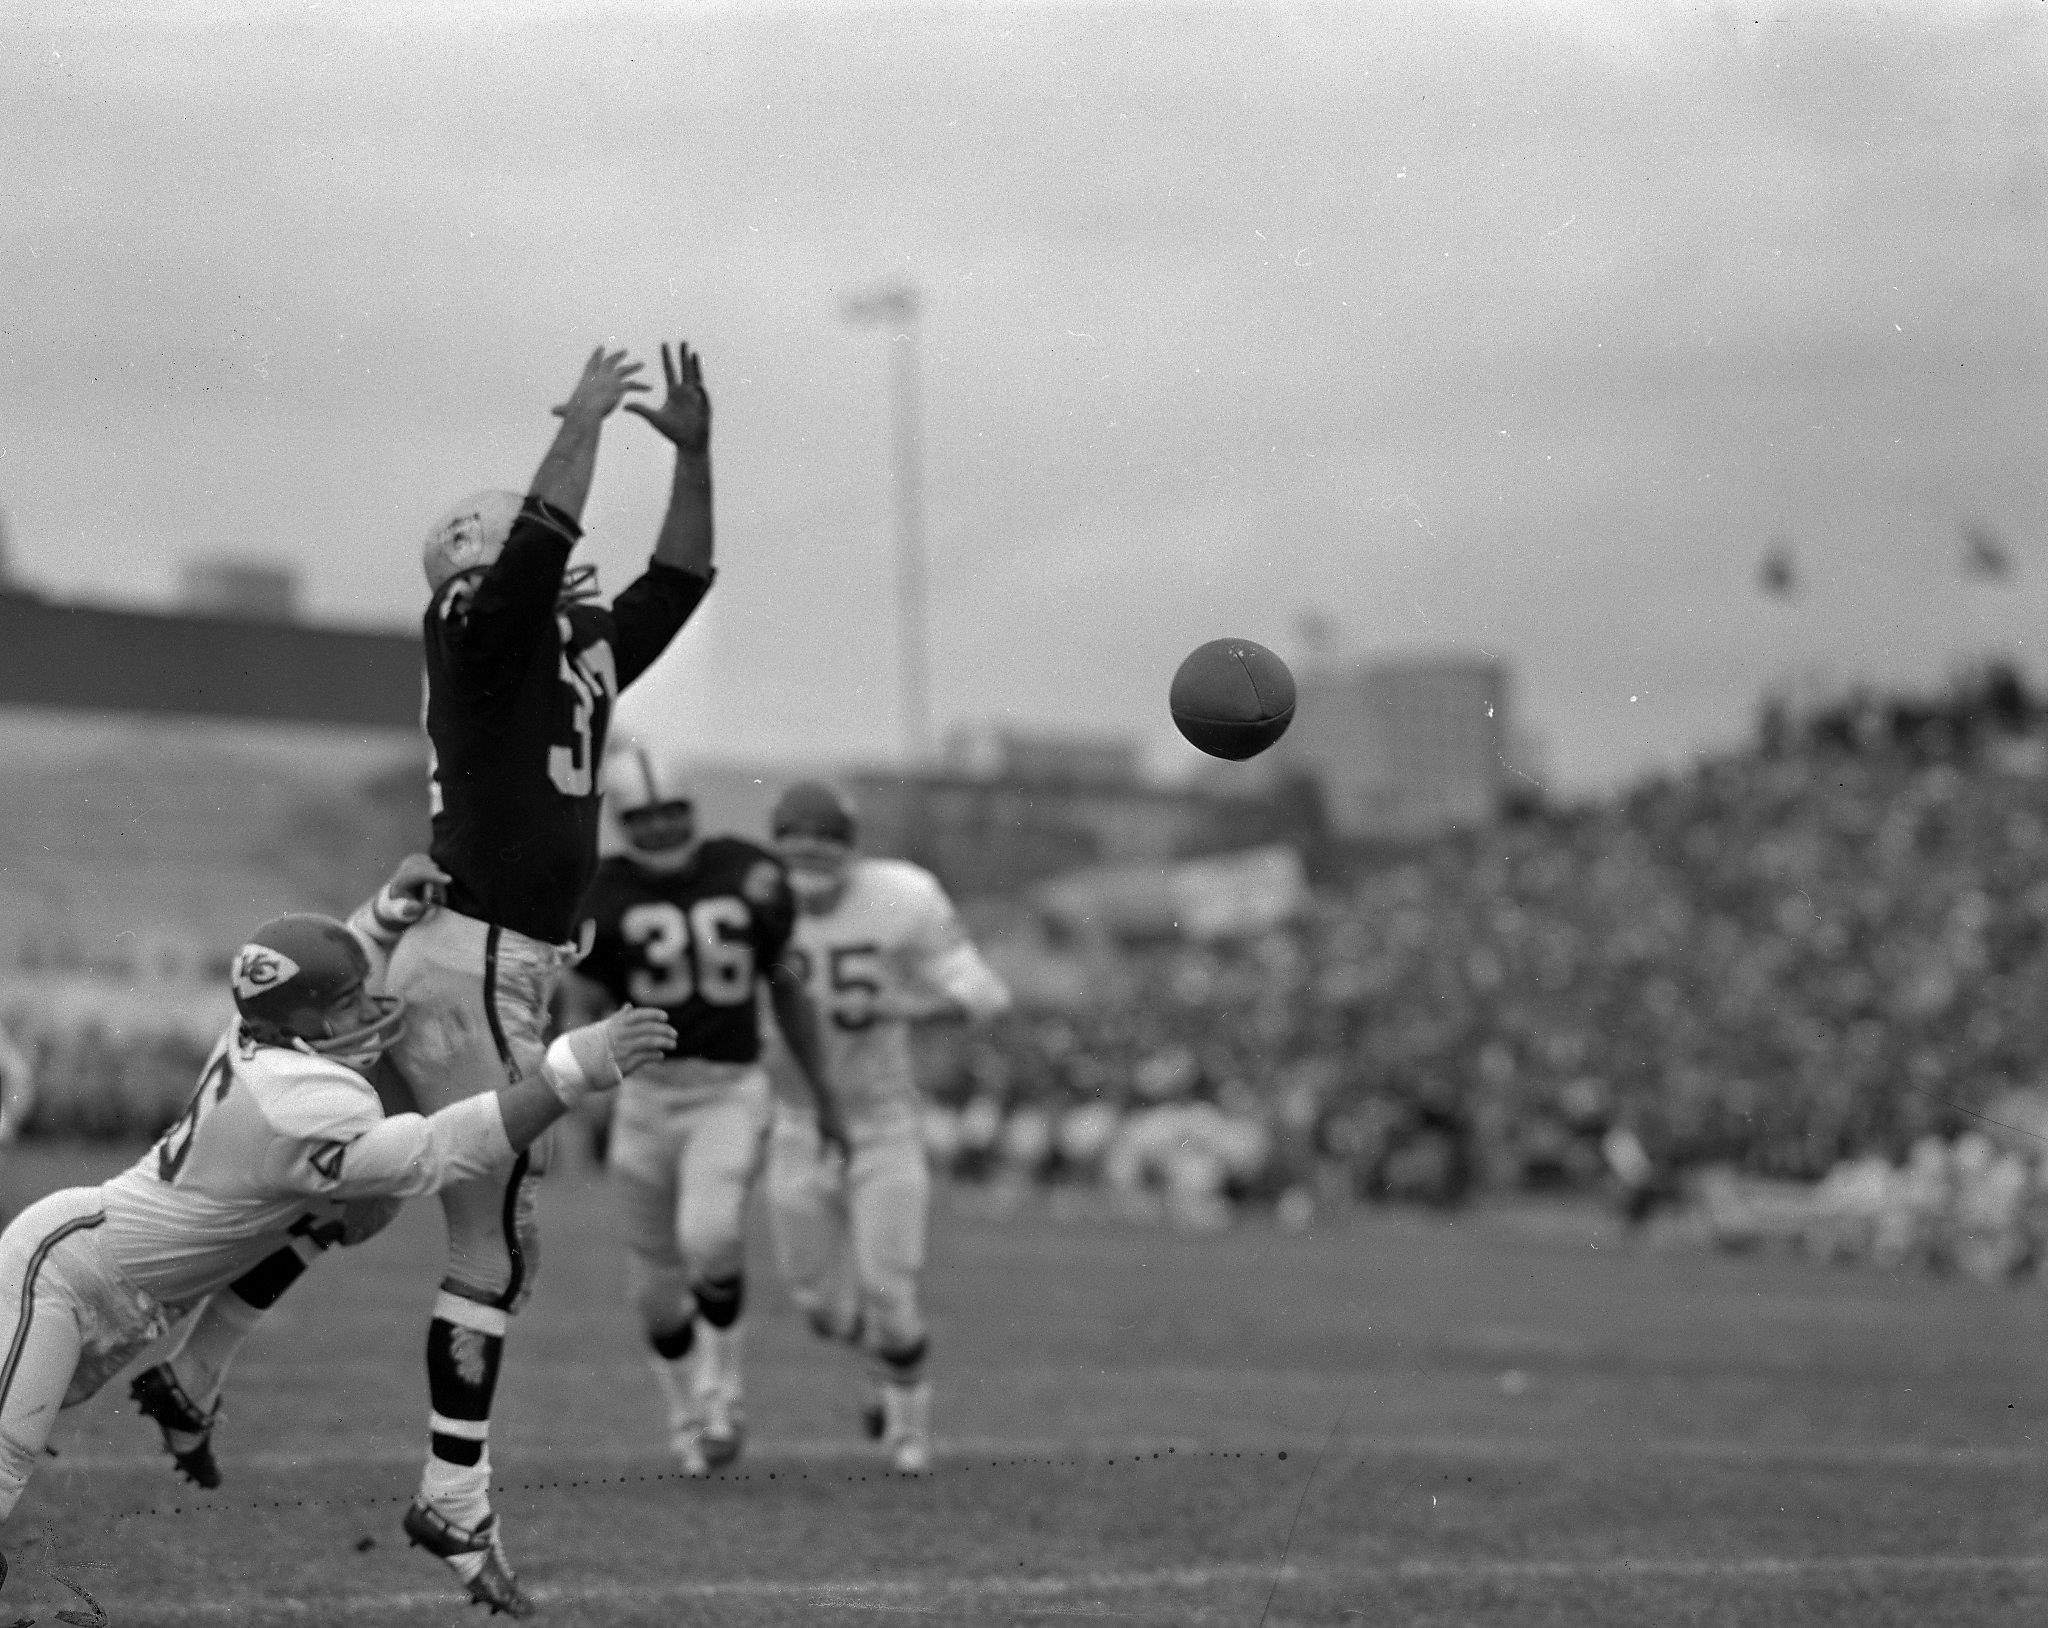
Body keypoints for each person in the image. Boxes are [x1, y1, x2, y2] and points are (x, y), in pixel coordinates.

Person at [126, 339, 719, 1615]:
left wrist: (696, 453)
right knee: (494, 1239)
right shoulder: (483, 631)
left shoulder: (565, 655)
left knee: (366, 1195)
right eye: (535, 550)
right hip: (482, 954)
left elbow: (684, 572)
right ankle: (453, 1495)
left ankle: (197, 1361)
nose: (569, 567)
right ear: (487, 561)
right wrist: (587, 424)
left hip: (463, 942)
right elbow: (549, 530)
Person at [0, 868, 675, 1574]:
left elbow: (325, 963)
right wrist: (573, 1068)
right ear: (302, 1021)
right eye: (348, 1003)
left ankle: (192, 1380)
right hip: (66, 1277)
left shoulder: (257, 1027)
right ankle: (190, 1383)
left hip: (128, 1288)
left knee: (351, 1209)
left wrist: (383, 914)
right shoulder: (299, 1100)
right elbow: (444, 1149)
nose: (368, 1010)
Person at [559, 745, 845, 1475]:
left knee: (711, 1235)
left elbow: (786, 987)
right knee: (655, 1294)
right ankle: (688, 1416)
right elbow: (584, 1004)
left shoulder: (749, 873)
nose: (659, 827)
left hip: (727, 1087)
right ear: (620, 821)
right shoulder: (598, 890)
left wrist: (823, 1092)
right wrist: (575, 1087)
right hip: (647, 1098)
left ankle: (725, 1393)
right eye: (642, 816)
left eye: (672, 811)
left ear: (693, 810)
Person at [761, 782, 1012, 1474]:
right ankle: (877, 1360)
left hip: (882, 1121)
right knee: (818, 1305)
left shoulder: (902, 897)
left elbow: (983, 992)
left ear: (853, 850)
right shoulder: (752, 902)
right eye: (797, 843)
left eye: (826, 843)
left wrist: (908, 1006)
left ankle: (908, 1434)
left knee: (891, 1292)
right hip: (796, 1121)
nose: (811, 859)